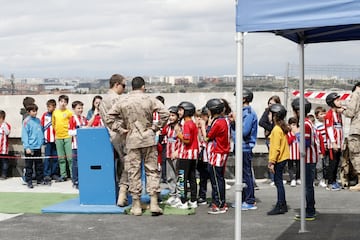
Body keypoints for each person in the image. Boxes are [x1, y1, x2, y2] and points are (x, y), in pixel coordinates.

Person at [105, 76, 169, 216]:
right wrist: (155, 127)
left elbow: (108, 118)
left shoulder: (123, 100)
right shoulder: (150, 99)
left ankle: (136, 205)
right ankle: (153, 203)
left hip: (132, 139)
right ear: (143, 86)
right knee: (151, 170)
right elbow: (165, 113)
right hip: (148, 138)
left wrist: (121, 130)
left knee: (133, 172)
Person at [99, 73, 129, 207]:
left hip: (109, 136)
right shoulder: (119, 100)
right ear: (116, 85)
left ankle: (118, 191)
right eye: (123, 85)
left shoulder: (102, 101)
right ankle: (123, 193)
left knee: (118, 165)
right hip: (122, 135)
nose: (125, 88)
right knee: (128, 165)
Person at [292, 98, 321, 221]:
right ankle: (309, 209)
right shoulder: (308, 122)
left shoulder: (305, 124)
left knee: (308, 186)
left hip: (308, 159)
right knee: (308, 185)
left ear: (299, 111)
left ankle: (310, 211)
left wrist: (296, 133)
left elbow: (306, 143)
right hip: (309, 158)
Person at [171, 101, 199, 210]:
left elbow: (187, 140)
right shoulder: (192, 123)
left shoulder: (187, 124)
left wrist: (178, 133)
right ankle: (193, 200)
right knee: (192, 178)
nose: (179, 112)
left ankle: (183, 201)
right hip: (192, 155)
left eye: (181, 110)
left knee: (182, 177)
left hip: (186, 154)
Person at [205, 99, 231, 214]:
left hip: (217, 153)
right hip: (222, 153)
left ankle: (219, 203)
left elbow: (208, 136)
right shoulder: (225, 120)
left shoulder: (218, 122)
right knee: (219, 179)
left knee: (216, 180)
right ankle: (220, 201)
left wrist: (208, 125)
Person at [267, 104, 289, 215]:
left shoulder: (276, 129)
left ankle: (280, 205)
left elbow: (275, 148)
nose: (269, 116)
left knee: (278, 182)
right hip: (283, 158)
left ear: (275, 115)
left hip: (278, 159)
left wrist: (271, 162)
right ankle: (283, 204)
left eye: (270, 114)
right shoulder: (281, 128)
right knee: (279, 182)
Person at [241, 89, 258, 210]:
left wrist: (236, 122)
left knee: (246, 174)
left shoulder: (248, 113)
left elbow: (244, 131)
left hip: (245, 147)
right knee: (242, 175)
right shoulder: (243, 112)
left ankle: (250, 200)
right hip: (241, 147)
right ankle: (243, 198)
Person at [341, 82, 360, 191]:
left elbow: (350, 112)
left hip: (357, 129)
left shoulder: (356, 94)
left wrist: (343, 110)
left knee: (356, 155)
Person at [259, 95, 281, 186]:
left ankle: (277, 177)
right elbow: (261, 122)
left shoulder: (279, 112)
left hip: (277, 137)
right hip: (270, 137)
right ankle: (273, 178)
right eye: (269, 103)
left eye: (272, 104)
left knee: (278, 157)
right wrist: (271, 128)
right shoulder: (267, 112)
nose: (270, 105)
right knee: (272, 157)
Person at [21, 104, 44, 188]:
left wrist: (42, 142)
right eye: (33, 111)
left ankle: (40, 179)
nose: (35, 113)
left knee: (39, 165)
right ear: (28, 112)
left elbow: (40, 132)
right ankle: (29, 181)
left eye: (36, 111)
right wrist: (27, 147)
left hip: (38, 147)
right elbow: (24, 135)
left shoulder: (38, 120)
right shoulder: (26, 121)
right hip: (30, 148)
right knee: (29, 166)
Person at [324, 92, 344, 191]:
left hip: (339, 143)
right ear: (332, 102)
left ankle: (335, 181)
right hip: (333, 144)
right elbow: (329, 129)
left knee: (337, 164)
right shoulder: (329, 114)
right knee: (332, 163)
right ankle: (330, 183)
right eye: (337, 100)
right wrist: (333, 142)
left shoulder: (338, 114)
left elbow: (340, 129)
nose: (339, 102)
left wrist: (341, 142)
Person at [52, 95, 73, 182]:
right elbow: (53, 124)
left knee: (70, 158)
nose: (63, 103)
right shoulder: (55, 113)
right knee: (61, 158)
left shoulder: (69, 113)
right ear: (59, 102)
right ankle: (63, 175)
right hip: (58, 137)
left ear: (67, 103)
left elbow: (72, 124)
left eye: (65, 102)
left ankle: (73, 175)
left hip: (67, 136)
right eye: (61, 101)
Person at [163, 106, 180, 205]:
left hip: (177, 155)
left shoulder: (180, 127)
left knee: (179, 176)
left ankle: (179, 195)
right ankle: (172, 194)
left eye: (173, 115)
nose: (171, 117)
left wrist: (177, 151)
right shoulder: (168, 127)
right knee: (170, 176)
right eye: (170, 115)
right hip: (169, 154)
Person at [68, 101, 88, 189]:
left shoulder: (84, 118)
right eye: (78, 108)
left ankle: (83, 180)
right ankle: (75, 180)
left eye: (81, 108)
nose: (80, 110)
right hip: (75, 146)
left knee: (83, 163)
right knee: (75, 164)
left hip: (84, 146)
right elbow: (70, 132)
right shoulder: (72, 119)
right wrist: (80, 131)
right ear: (74, 109)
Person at [40, 99, 58, 184]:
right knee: (47, 158)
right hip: (47, 140)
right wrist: (42, 139)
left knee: (55, 157)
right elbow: (42, 127)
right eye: (49, 106)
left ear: (55, 107)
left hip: (55, 140)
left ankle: (54, 173)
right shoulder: (44, 115)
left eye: (52, 106)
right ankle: (46, 174)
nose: (50, 108)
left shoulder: (57, 115)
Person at [196, 106, 210, 205]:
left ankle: (216, 198)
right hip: (201, 152)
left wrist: (204, 126)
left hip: (209, 152)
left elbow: (206, 138)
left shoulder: (210, 125)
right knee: (202, 175)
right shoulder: (199, 126)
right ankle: (202, 195)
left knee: (208, 175)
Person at [314, 106, 329, 188]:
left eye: (324, 113)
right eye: (321, 114)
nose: (323, 115)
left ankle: (326, 179)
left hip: (327, 147)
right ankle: (320, 179)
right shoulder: (317, 126)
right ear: (317, 116)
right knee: (319, 165)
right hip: (320, 148)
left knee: (327, 165)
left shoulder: (327, 124)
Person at [287, 117, 300, 187]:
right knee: (290, 166)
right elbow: (288, 142)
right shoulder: (288, 133)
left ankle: (298, 178)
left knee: (298, 166)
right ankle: (292, 179)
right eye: (292, 124)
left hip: (298, 151)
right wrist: (293, 135)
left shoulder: (299, 132)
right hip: (290, 152)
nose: (294, 126)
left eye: (295, 124)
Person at [0, 110, 11, 180]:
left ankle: (4, 174)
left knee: (4, 162)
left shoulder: (6, 125)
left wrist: (3, 125)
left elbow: (7, 133)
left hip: (4, 148)